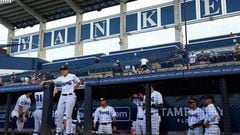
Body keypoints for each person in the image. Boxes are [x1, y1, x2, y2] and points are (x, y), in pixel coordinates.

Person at [40, 65, 81, 135]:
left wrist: (74, 88)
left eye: (64, 69)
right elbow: (53, 81)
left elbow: (79, 82)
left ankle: (68, 132)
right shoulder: (60, 78)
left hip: (70, 96)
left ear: (67, 70)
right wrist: (44, 81)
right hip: (62, 96)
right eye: (62, 70)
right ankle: (58, 131)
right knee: (59, 114)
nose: (63, 71)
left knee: (68, 115)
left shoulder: (72, 76)